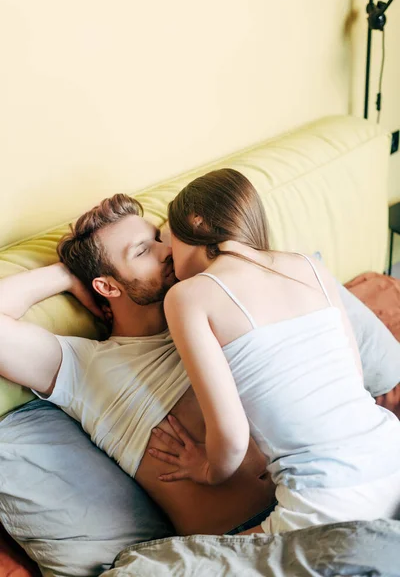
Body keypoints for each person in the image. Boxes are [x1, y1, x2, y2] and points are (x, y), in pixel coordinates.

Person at [0, 193, 275, 537]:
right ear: (106, 286)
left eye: (160, 241)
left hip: (311, 500)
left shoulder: (206, 311)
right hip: (236, 539)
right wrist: (67, 275)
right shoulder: (85, 368)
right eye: (144, 251)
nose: (167, 252)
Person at [148, 168, 400, 535]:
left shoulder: (188, 296)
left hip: (328, 500)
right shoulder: (309, 266)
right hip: (390, 451)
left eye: (169, 238)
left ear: (195, 221)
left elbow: (232, 439)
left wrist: (206, 469)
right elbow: (354, 378)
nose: (168, 252)